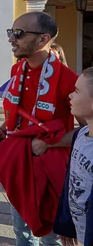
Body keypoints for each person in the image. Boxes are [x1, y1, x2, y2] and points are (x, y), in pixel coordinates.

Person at [0, 12, 85, 246]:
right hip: (20, 163)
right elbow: (20, 108)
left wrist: (50, 142)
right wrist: (5, 127)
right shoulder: (17, 71)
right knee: (21, 230)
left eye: (19, 33)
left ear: (43, 39)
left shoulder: (68, 79)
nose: (12, 39)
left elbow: (89, 131)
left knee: (51, 236)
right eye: (10, 32)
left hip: (50, 171)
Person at [54, 68, 93, 246]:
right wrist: (66, 225)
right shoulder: (80, 135)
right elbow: (71, 181)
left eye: (76, 91)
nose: (70, 95)